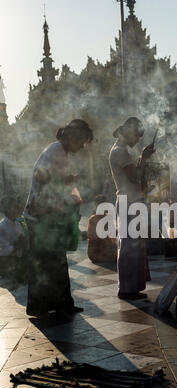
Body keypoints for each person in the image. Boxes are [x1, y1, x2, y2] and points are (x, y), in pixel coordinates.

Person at [24, 119, 93, 317]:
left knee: (56, 260)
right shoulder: (55, 150)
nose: (81, 147)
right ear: (73, 136)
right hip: (40, 217)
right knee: (44, 262)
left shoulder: (61, 152)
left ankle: (61, 303)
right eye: (81, 142)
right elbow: (40, 176)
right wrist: (64, 180)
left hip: (49, 215)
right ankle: (40, 306)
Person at [109, 117, 155, 300]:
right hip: (129, 203)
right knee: (130, 246)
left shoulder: (122, 151)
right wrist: (143, 158)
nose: (137, 140)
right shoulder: (120, 152)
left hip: (132, 201)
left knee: (134, 245)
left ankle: (132, 287)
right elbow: (135, 177)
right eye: (136, 135)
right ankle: (127, 288)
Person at [0, 194, 27, 281]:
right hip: (7, 263)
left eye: (17, 207)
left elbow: (22, 240)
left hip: (18, 259)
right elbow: (3, 251)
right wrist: (17, 245)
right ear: (6, 209)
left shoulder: (17, 224)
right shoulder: (2, 227)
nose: (16, 210)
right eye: (14, 207)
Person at [87, 194, 117, 264]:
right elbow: (110, 239)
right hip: (100, 254)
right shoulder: (99, 219)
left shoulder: (92, 218)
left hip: (92, 254)